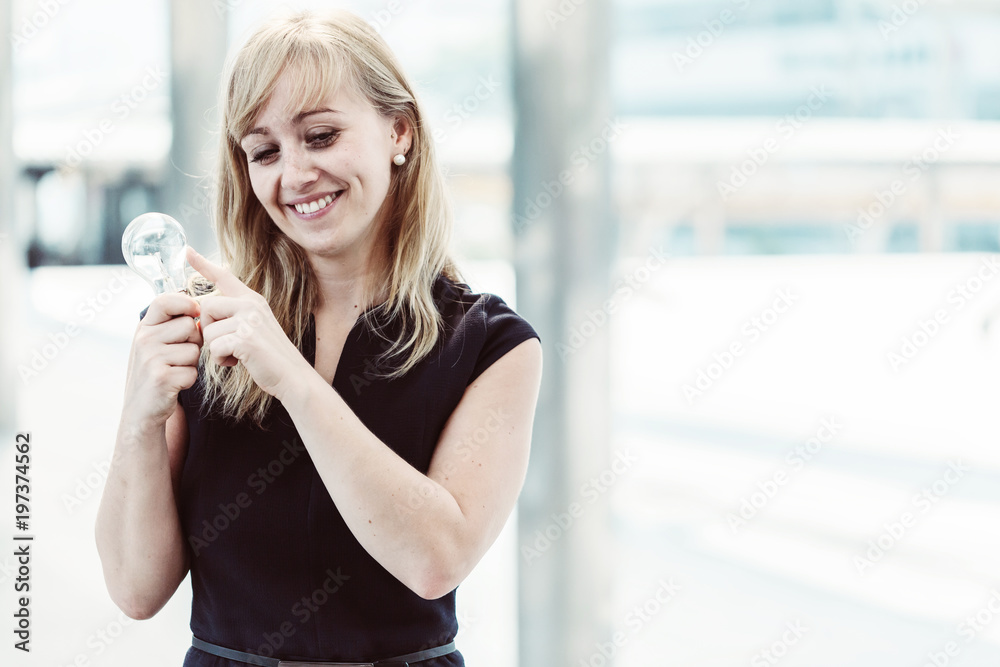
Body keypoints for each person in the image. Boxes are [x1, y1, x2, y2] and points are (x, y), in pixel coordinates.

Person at [94, 9, 542, 667]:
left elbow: (434, 559)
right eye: (265, 151)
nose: (295, 174)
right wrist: (140, 417)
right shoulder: (199, 327)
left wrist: (291, 377)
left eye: (322, 136)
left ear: (399, 131)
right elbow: (134, 588)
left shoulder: (491, 345)